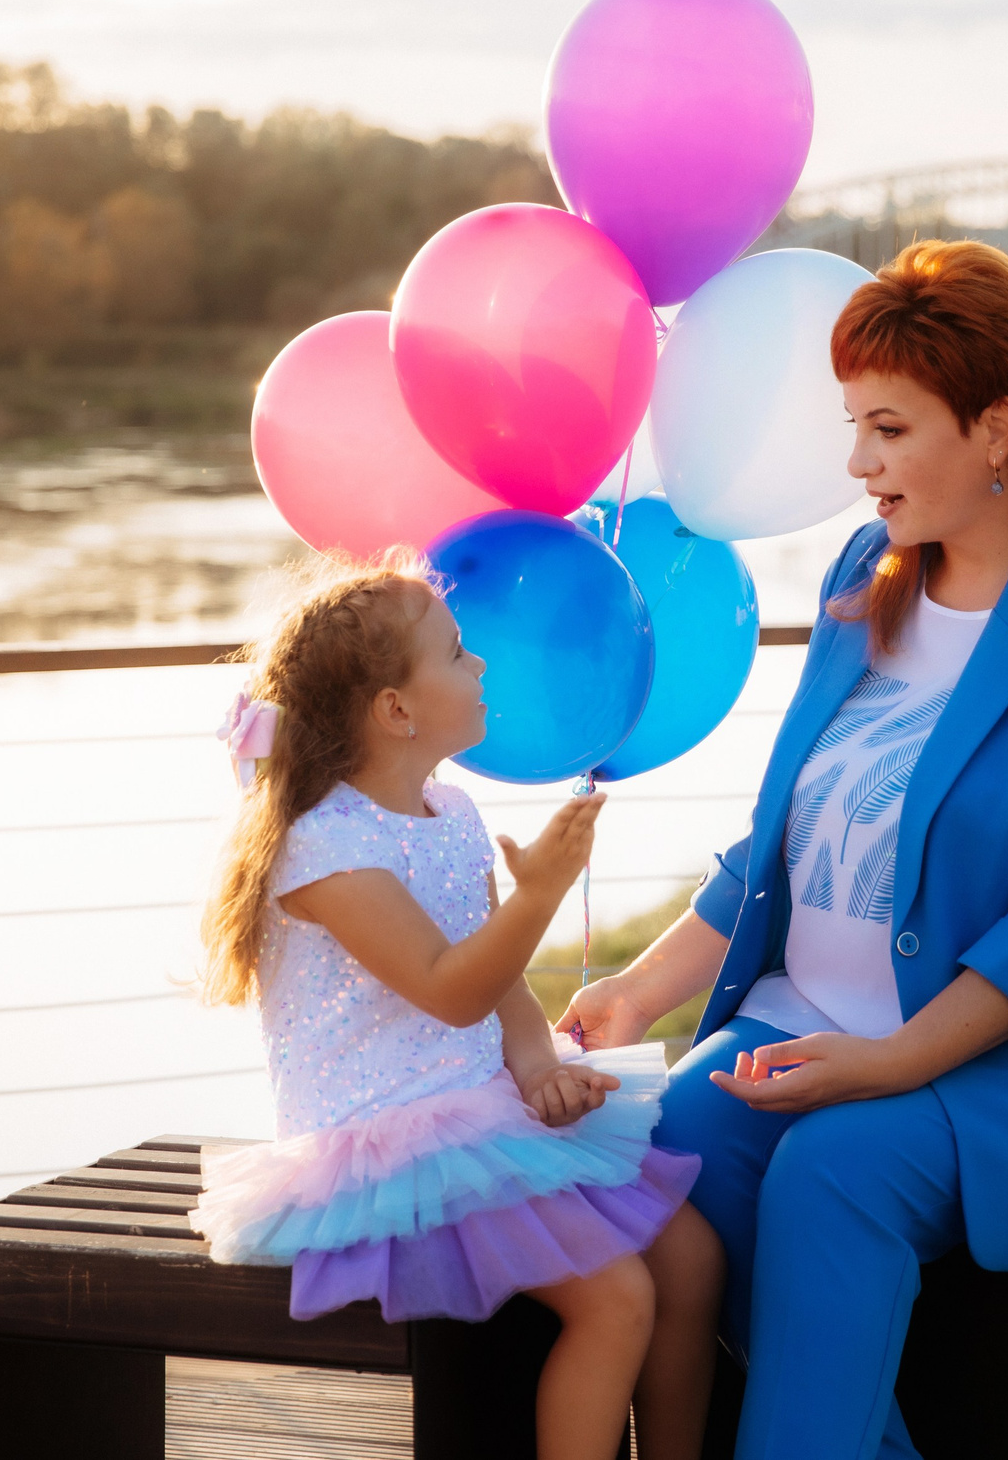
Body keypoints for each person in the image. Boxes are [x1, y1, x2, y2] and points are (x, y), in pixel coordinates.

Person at [564, 240, 1008, 1460]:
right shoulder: (864, 573)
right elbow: (788, 839)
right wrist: (634, 989)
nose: (856, 462)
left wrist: (890, 1063)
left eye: (887, 426)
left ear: (994, 427)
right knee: (664, 1151)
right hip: (814, 1024)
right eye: (850, 425)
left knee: (834, 1169)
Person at [187, 553, 723, 1460]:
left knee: (692, 1259)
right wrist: (538, 898)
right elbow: (448, 986)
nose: (482, 668)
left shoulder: (453, 810)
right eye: (458, 652)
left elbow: (501, 988)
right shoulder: (322, 849)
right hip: (388, 1136)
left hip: (479, 1104)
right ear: (396, 711)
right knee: (617, 1298)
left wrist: (540, 1066)